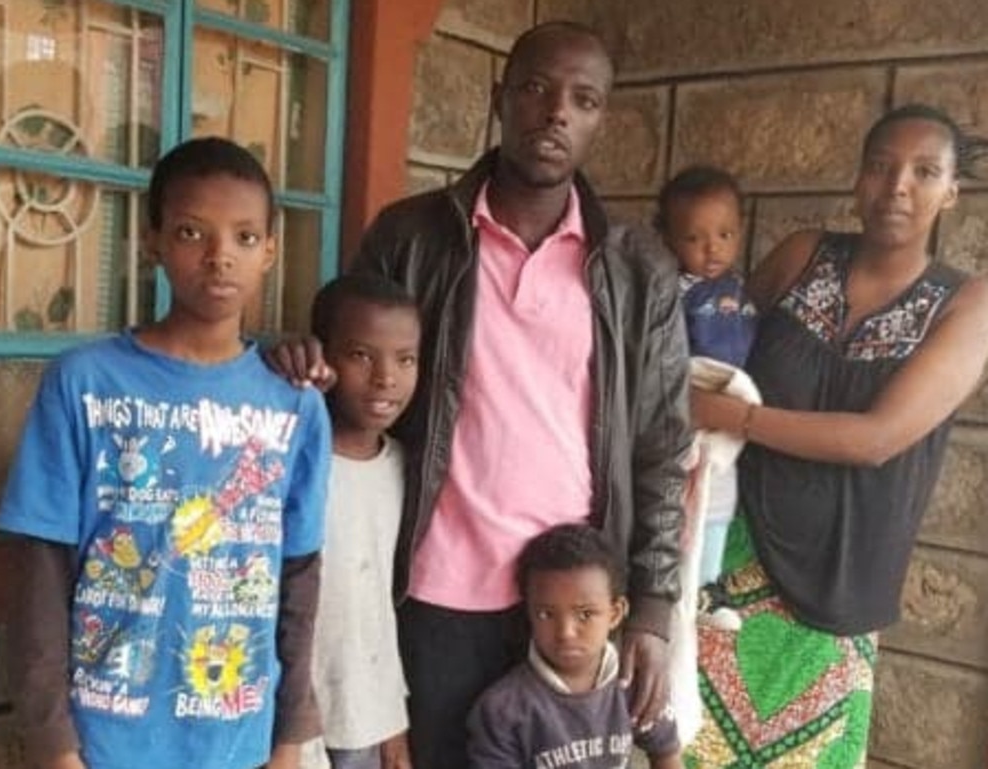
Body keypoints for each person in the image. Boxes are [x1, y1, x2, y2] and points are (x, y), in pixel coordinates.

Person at [269, 20, 692, 769]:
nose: (557, 111)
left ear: (600, 118)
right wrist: (288, 364)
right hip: (436, 593)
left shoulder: (638, 270)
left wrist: (653, 606)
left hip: (567, 605)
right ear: (499, 99)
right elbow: (351, 368)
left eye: (583, 99)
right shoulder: (412, 236)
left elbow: (661, 441)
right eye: (536, 88)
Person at [0, 137, 332, 769]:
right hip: (107, 737)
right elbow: (42, 573)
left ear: (270, 251)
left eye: (245, 238)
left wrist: (289, 738)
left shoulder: (294, 406)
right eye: (190, 232)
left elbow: (300, 581)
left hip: (237, 736)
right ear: (151, 242)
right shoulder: (83, 384)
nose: (219, 257)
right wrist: (52, 741)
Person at [683, 104, 988, 768]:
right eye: (880, 166)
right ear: (858, 178)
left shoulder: (966, 304)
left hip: (839, 582)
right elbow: (720, 344)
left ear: (952, 190)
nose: (897, 185)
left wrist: (726, 415)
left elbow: (877, 438)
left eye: (923, 171)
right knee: (683, 744)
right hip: (729, 555)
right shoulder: (801, 256)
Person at [303, 274, 420, 769]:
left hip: (362, 715)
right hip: (291, 714)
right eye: (360, 355)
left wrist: (392, 719)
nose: (385, 378)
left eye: (405, 359)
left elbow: (379, 607)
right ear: (321, 357)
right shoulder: (295, 461)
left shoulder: (403, 467)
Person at [467, 524, 683, 769]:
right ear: (528, 613)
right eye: (547, 614)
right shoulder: (503, 710)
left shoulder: (632, 684)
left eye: (585, 614)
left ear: (615, 613)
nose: (566, 633)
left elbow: (667, 754)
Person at [654, 165, 759, 631]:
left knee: (719, 497)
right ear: (670, 240)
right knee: (673, 497)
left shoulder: (739, 290)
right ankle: (667, 582)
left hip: (729, 406)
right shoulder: (669, 292)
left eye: (724, 233)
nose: (712, 247)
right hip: (683, 401)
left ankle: (708, 586)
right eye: (694, 237)